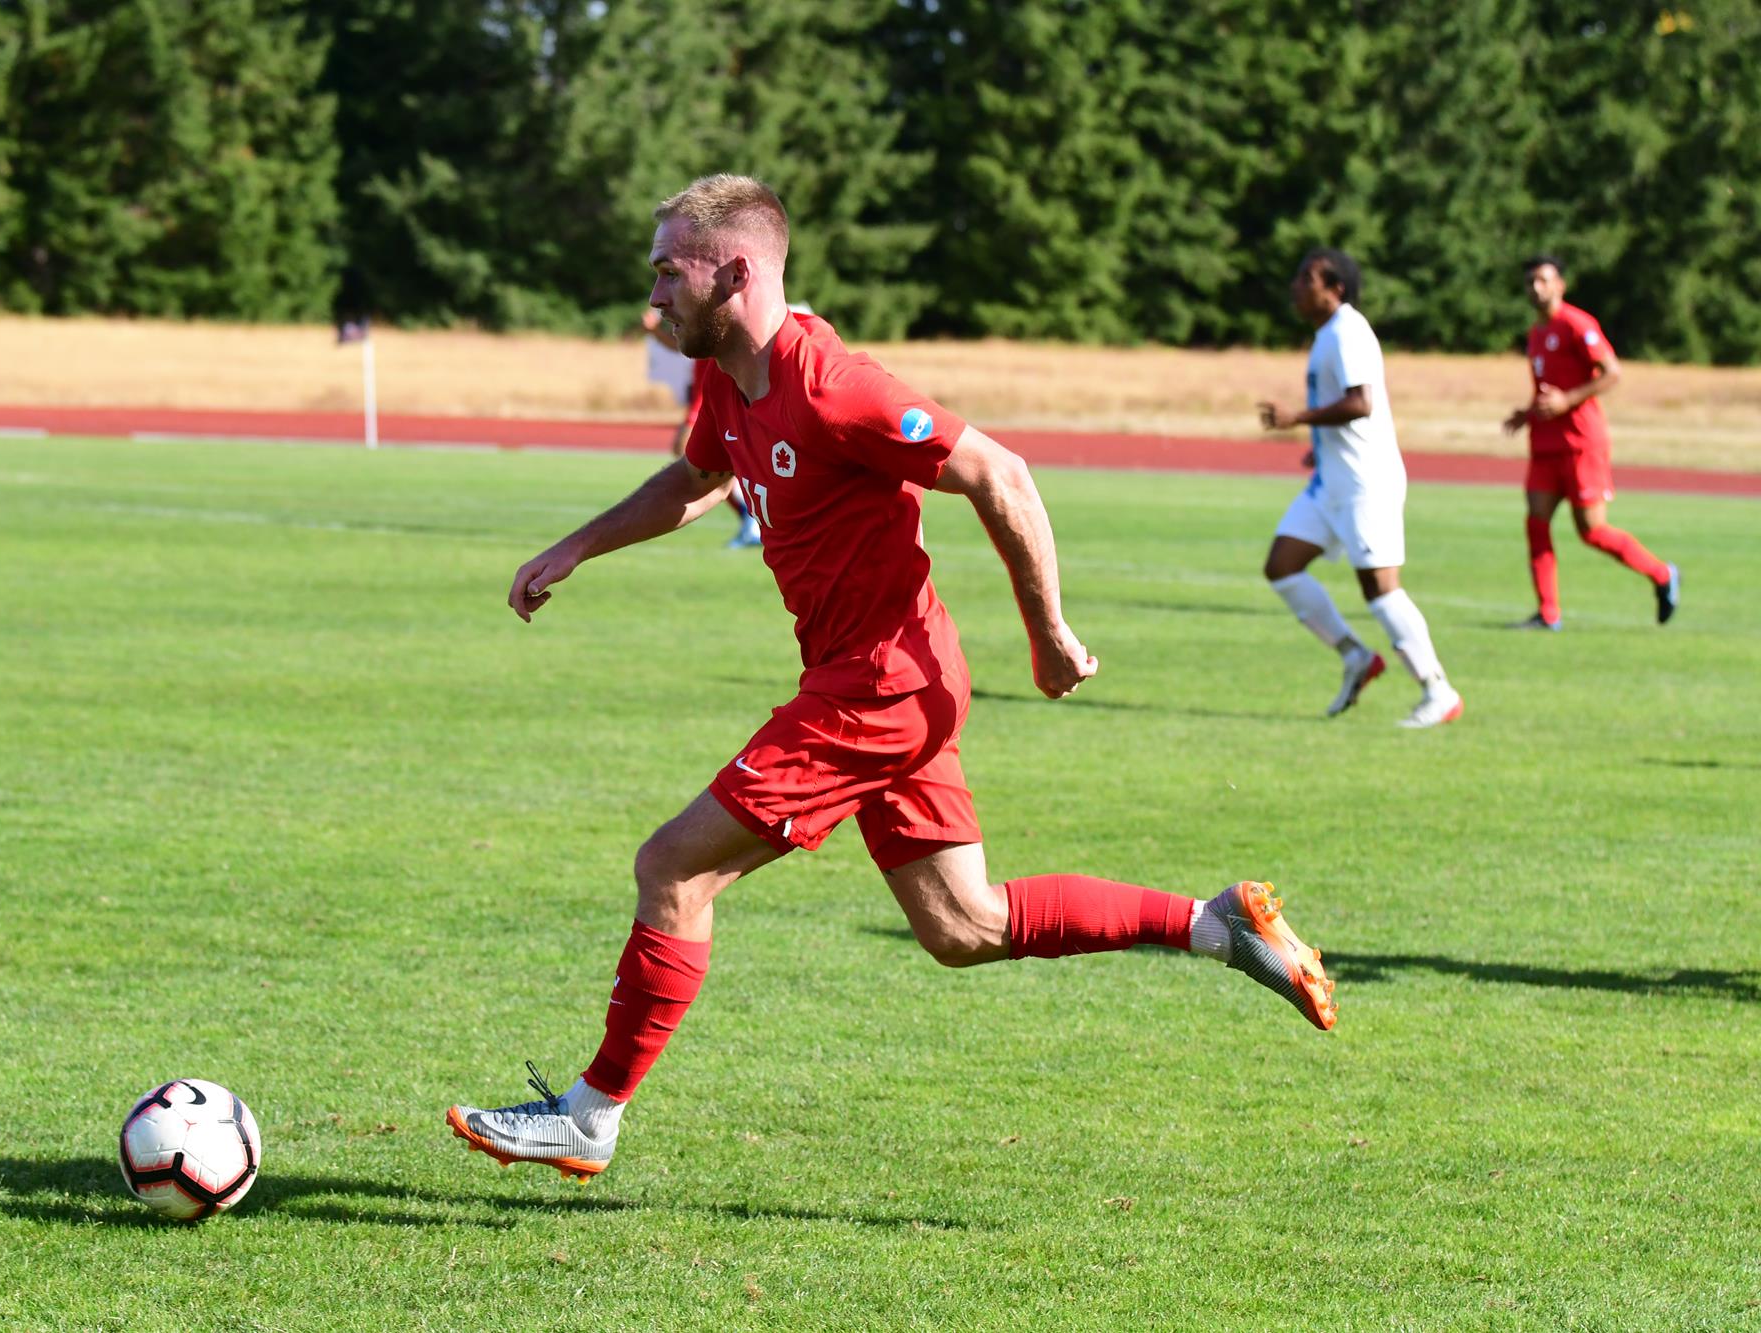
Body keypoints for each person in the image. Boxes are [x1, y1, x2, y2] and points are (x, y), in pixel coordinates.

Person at [447, 174, 1337, 1184]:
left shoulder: (834, 385)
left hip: (879, 688)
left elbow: (999, 473)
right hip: (877, 680)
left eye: (667, 272)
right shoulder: (727, 379)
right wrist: (575, 546)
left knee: (672, 868)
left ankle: (589, 1112)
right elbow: (697, 479)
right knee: (963, 926)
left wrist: (1047, 633)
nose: (652, 296)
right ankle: (1214, 924)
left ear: (733, 273)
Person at [1257, 248, 1462, 729]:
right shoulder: (1327, 334)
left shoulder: (1348, 331)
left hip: (1367, 486)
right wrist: (1319, 445)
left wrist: (1297, 419)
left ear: (1336, 289)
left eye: (1307, 279)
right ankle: (1355, 656)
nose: (1296, 286)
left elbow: (1361, 402)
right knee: (1282, 567)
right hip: (1331, 483)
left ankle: (1439, 691)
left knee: (1381, 590)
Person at [1502, 256, 1677, 629]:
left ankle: (1661, 574)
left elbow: (1612, 373)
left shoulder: (1577, 324)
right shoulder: (1535, 333)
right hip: (1546, 444)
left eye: (1543, 280)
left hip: (1582, 443)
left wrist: (1568, 400)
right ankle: (1548, 613)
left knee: (1592, 531)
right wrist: (1527, 414)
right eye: (1530, 281)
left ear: (1560, 285)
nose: (1536, 288)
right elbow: (1548, 390)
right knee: (1536, 522)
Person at [641, 306, 761, 547]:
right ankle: (750, 518)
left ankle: (751, 516)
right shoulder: (698, 322)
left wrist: (656, 329)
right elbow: (680, 348)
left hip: (708, 394)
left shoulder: (712, 316)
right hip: (704, 392)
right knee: (706, 460)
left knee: (690, 452)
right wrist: (654, 331)